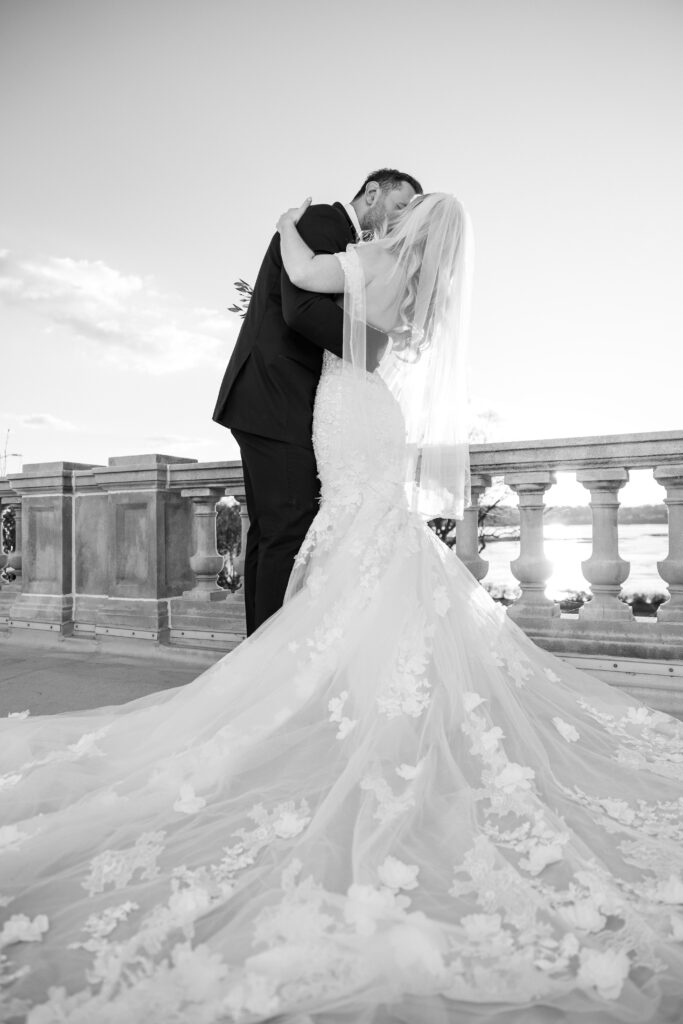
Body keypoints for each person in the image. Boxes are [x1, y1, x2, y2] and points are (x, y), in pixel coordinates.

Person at [2, 194, 683, 1024]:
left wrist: (285, 217)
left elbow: (297, 276)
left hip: (340, 411)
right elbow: (354, 330)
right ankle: (345, 675)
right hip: (373, 412)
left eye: (403, 208)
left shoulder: (365, 258)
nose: (390, 213)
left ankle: (306, 670)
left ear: (410, 223)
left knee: (341, 534)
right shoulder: (419, 287)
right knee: (370, 534)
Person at [212, 168, 422, 635]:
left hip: (269, 398)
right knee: (287, 532)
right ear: (373, 193)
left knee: (270, 534)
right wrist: (373, 349)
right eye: (399, 205)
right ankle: (270, 669)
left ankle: (255, 661)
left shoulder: (343, 237)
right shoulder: (325, 222)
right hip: (276, 397)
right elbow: (300, 308)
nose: (402, 218)